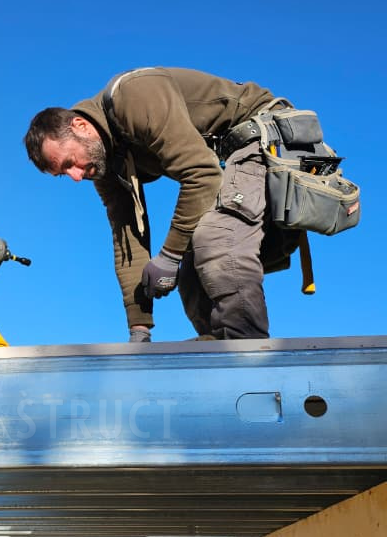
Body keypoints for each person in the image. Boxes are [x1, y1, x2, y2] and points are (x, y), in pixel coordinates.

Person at [24, 66, 310, 341]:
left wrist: (169, 255)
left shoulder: (133, 97)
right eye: (63, 174)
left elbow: (203, 174)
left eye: (69, 162)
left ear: (81, 126)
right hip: (227, 160)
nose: (75, 177)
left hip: (263, 134)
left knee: (217, 240)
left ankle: (247, 354)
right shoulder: (104, 165)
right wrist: (139, 329)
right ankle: (220, 350)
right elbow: (127, 238)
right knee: (191, 276)